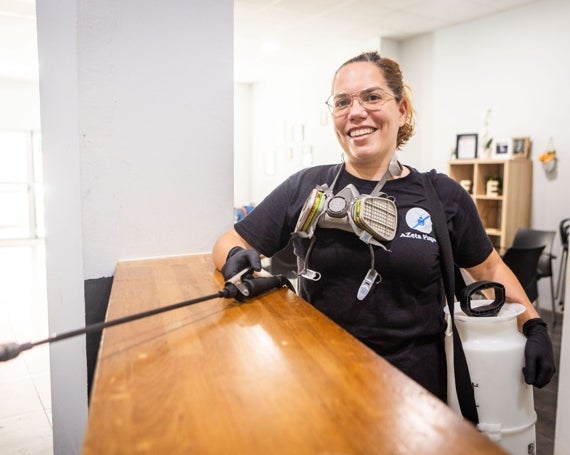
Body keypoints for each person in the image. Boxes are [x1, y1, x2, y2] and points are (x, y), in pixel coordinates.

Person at [212, 51, 555, 402]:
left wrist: (533, 323)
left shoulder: (440, 196)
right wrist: (235, 256)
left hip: (412, 389)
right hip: (317, 375)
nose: (356, 112)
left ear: (401, 110)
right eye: (342, 102)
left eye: (373, 97)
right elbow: (231, 239)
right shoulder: (305, 187)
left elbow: (489, 267)